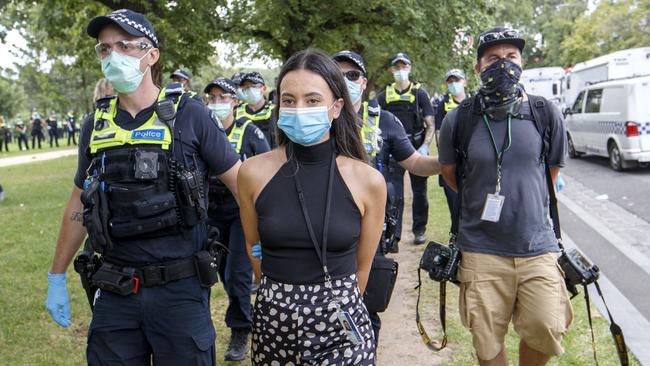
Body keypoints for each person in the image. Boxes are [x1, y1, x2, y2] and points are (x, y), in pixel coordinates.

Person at [44, 9, 241, 365]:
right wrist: (56, 274)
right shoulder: (95, 125)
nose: (113, 56)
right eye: (105, 49)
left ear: (152, 55)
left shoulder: (191, 115)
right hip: (115, 290)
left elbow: (244, 186)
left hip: (180, 292)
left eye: (125, 46)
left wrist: (263, 255)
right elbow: (79, 200)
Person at [238, 49, 385, 365]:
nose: (298, 109)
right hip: (273, 323)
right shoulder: (252, 172)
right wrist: (283, 294)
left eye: (312, 100)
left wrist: (329, 302)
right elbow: (253, 247)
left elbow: (363, 265)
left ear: (336, 107)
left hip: (342, 327)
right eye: (288, 100)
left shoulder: (367, 181)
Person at [438, 26, 572, 366]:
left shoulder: (545, 112)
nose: (503, 64)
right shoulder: (459, 119)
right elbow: (453, 177)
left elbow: (548, 176)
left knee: (546, 326)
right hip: (481, 249)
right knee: (486, 339)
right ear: (478, 67)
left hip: (537, 246)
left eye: (511, 57)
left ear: (522, 62)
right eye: (493, 58)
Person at [332, 50, 442, 344]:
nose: (345, 80)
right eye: (338, 74)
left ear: (364, 82)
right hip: (321, 228)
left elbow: (415, 163)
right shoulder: (314, 119)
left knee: (366, 305)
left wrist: (451, 162)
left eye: (352, 75)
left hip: (369, 229)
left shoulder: (385, 120)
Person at [204, 76, 270, 361]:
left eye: (223, 97)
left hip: (241, 212)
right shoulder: (204, 130)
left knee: (237, 276)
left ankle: (241, 330)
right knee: (209, 274)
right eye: (212, 98)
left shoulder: (249, 131)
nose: (217, 103)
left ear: (234, 100)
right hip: (208, 212)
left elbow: (268, 169)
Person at [376, 52, 436, 245]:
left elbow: (431, 123)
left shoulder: (420, 93)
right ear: (392, 70)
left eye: (404, 66)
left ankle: (419, 230)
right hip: (393, 152)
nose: (400, 70)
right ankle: (394, 234)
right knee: (393, 194)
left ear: (409, 68)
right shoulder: (384, 96)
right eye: (397, 67)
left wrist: (425, 146)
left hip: (416, 147)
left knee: (420, 193)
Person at [435, 69, 469, 222]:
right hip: (451, 161)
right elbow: (438, 132)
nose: (454, 84)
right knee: (454, 205)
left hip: (472, 162)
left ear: (465, 82)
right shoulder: (443, 105)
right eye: (450, 81)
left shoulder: (475, 103)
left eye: (457, 80)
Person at [235, 72, 277, 148]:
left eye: (254, 86)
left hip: (268, 158)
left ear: (264, 88)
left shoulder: (275, 112)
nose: (250, 90)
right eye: (246, 88)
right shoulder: (237, 112)